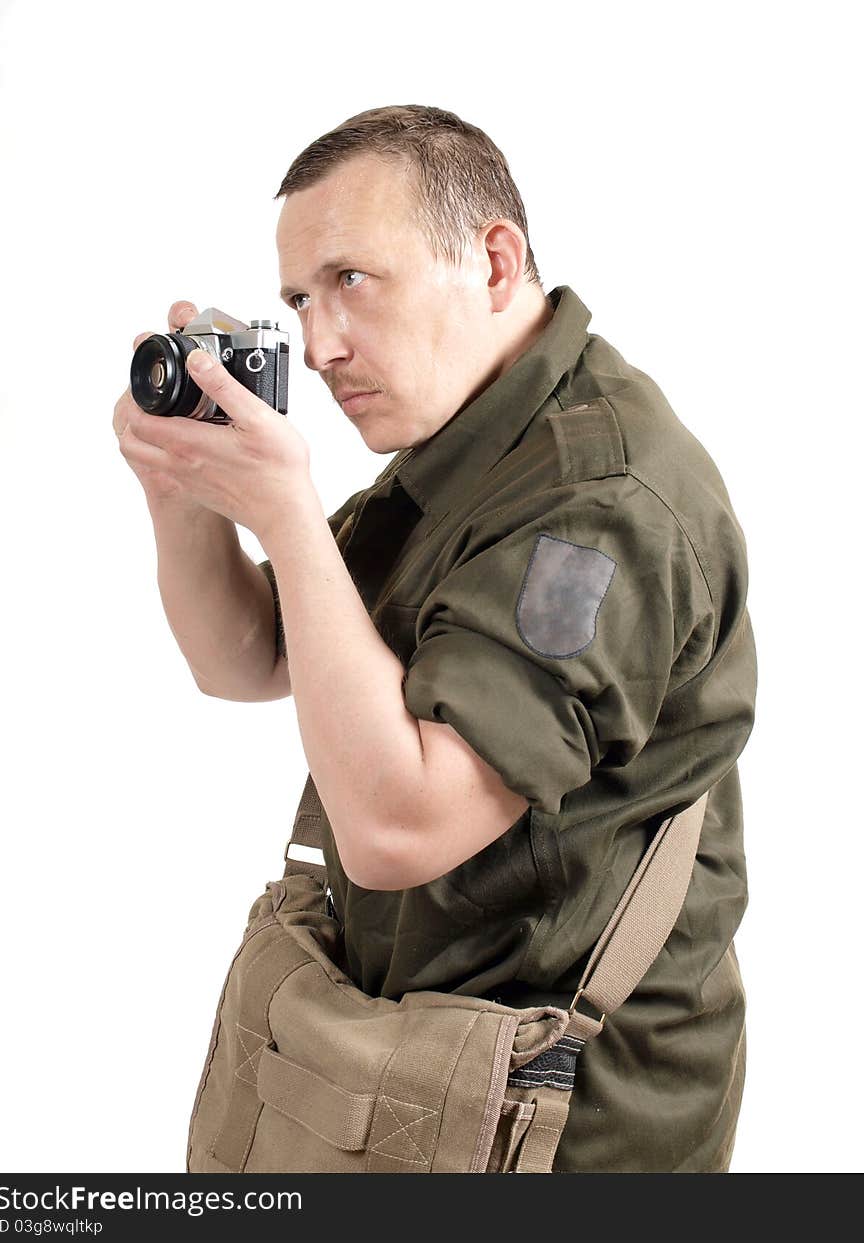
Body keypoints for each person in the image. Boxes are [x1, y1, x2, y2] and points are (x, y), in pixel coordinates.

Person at [113, 104, 757, 1173]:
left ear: (494, 262)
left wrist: (282, 512)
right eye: (298, 300)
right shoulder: (467, 436)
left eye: (352, 280)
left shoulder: (600, 506)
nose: (318, 344)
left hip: (559, 1119)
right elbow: (246, 658)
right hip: (408, 1067)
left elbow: (398, 830)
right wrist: (181, 491)